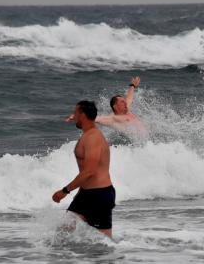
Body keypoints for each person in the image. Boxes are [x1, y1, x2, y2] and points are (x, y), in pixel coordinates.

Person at [53, 100, 115, 238]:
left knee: (103, 243)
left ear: (82, 115)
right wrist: (80, 191)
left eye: (75, 113)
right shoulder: (87, 135)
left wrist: (65, 191)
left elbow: (90, 171)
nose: (74, 116)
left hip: (99, 195)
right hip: (86, 194)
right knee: (61, 235)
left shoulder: (93, 137)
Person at [66, 76, 147, 139]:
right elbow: (96, 118)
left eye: (124, 101)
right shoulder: (113, 119)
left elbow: (129, 97)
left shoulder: (126, 109)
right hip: (138, 146)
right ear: (115, 107)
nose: (125, 102)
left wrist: (132, 85)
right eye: (122, 102)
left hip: (146, 142)